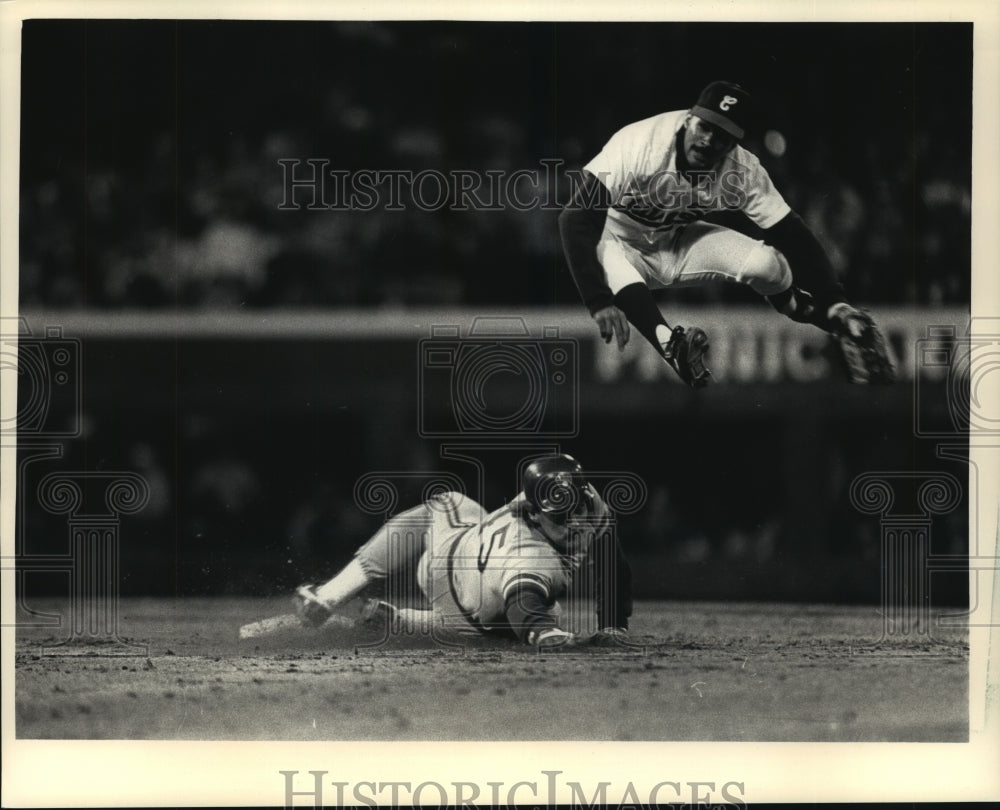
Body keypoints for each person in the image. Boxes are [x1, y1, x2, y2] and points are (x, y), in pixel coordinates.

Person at [558, 80, 894, 387]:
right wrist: (598, 300)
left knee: (766, 265)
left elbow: (792, 233)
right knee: (605, 250)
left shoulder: (741, 170)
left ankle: (809, 311)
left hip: (674, 241)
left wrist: (835, 302)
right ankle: (671, 346)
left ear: (734, 143)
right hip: (617, 243)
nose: (708, 140)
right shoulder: (640, 144)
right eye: (704, 126)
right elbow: (574, 219)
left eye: (722, 136)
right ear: (689, 118)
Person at [293, 454, 633, 649]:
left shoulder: (587, 503)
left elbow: (611, 560)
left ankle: (376, 610)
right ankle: (332, 597)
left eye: (575, 506)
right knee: (545, 612)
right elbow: (525, 610)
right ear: (533, 512)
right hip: (450, 571)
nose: (573, 520)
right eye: (560, 515)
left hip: (471, 593)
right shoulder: (529, 553)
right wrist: (545, 633)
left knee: (448, 502)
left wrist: (613, 625)